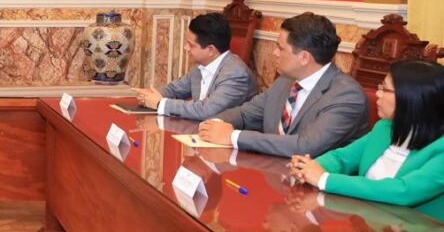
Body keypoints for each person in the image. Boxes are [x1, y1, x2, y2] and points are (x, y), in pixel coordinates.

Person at [198, 12, 370, 157]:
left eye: (281, 48)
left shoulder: (346, 96)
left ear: (304, 58)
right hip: (271, 172)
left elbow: (305, 147)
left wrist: (233, 137)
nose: (274, 53)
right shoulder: (284, 81)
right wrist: (213, 124)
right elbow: (245, 114)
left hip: (313, 184)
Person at [288, 60, 444, 209]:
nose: (378, 94)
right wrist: (307, 168)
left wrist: (324, 179)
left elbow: (404, 191)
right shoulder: (385, 128)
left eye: (385, 89)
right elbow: (341, 158)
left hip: (413, 227)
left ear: (412, 98)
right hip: (366, 218)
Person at [133, 12, 258, 120]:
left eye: (191, 45)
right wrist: (151, 96)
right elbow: (175, 89)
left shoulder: (236, 74)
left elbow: (207, 111)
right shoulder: (201, 66)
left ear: (210, 50)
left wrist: (160, 103)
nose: (185, 48)